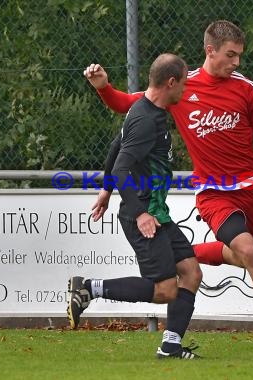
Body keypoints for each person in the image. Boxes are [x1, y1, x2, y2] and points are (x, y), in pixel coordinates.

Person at [84, 20, 253, 349]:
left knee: (245, 259)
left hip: (248, 189)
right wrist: (103, 87)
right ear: (210, 51)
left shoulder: (247, 90)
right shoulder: (181, 87)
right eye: (231, 55)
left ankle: (187, 262)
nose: (237, 62)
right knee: (249, 251)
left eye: (239, 55)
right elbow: (127, 104)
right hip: (213, 193)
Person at [67, 53, 203, 360]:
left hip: (156, 212)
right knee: (165, 289)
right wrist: (139, 212)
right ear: (170, 83)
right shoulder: (145, 119)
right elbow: (122, 168)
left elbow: (117, 147)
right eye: (183, 83)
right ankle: (89, 288)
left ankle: (170, 346)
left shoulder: (146, 108)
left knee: (191, 273)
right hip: (142, 212)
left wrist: (105, 190)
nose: (185, 89)